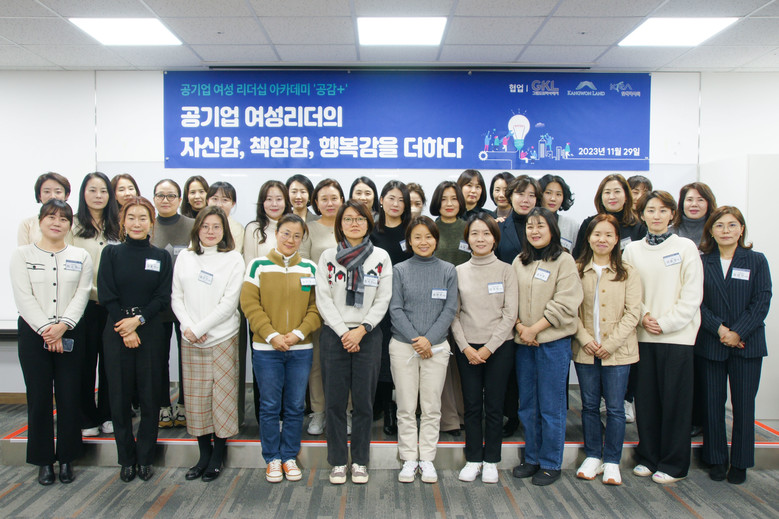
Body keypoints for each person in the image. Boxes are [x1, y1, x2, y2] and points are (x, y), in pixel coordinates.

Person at [623, 191, 703, 485]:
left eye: (662, 210)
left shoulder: (686, 247)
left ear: (672, 214)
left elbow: (692, 294)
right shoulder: (632, 250)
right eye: (650, 210)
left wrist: (666, 323)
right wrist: (644, 317)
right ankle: (648, 456)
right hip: (643, 335)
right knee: (646, 402)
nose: (656, 216)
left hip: (677, 338)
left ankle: (674, 464)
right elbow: (630, 290)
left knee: (675, 403)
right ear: (641, 215)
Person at [11, 200, 92, 485]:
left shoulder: (80, 255)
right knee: (39, 398)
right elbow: (23, 296)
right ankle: (43, 460)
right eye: (51, 217)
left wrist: (62, 327)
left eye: (63, 218)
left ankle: (67, 457)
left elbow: (82, 293)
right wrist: (48, 330)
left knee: (70, 396)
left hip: (70, 331)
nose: (57, 223)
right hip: (34, 335)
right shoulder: (22, 255)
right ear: (40, 221)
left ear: (70, 224)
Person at [315, 201, 392, 485]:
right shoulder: (327, 257)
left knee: (363, 404)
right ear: (340, 224)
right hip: (334, 336)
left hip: (367, 336)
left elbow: (383, 298)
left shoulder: (381, 257)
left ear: (368, 223)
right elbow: (323, 298)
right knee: (334, 404)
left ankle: (359, 461)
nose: (354, 224)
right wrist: (342, 332)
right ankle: (337, 461)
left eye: (360, 218)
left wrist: (361, 330)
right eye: (348, 219)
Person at [241, 214, 321, 484]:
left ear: (302, 239)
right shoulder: (258, 266)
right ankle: (272, 458)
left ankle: (289, 455)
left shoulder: (310, 268)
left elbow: (316, 307)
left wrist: (298, 334)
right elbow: (250, 305)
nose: (291, 240)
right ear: (276, 234)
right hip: (266, 349)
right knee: (269, 405)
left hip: (301, 348)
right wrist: (272, 335)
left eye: (297, 236)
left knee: (296, 405)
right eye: (286, 233)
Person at [98, 196, 173, 483]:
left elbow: (162, 297)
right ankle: (126, 459)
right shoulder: (111, 254)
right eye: (131, 217)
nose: (137, 223)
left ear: (151, 222)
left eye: (143, 218)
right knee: (118, 397)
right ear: (122, 221)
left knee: (150, 397)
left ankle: (145, 458)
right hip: (117, 331)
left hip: (150, 331)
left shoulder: (161, 256)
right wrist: (126, 328)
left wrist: (138, 322)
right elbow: (107, 294)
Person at [697, 207, 772, 485]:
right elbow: (696, 302)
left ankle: (740, 462)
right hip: (712, 341)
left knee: (743, 406)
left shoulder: (756, 260)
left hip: (746, 343)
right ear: (711, 230)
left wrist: (738, 332)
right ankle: (716, 459)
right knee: (712, 405)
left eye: (732, 225)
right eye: (719, 225)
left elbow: (762, 300)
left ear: (741, 229)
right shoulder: (702, 262)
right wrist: (721, 329)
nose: (726, 230)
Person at [511, 208, 583, 486]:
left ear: (553, 229)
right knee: (528, 406)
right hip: (523, 344)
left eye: (541, 225)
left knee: (551, 407)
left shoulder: (564, 260)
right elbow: (510, 299)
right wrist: (521, 327)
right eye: (530, 226)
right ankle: (531, 458)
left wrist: (534, 329)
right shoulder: (519, 261)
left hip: (552, 344)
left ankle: (551, 462)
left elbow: (566, 303)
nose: (535, 231)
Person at [172, 206, 244, 483]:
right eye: (205, 226)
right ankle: (203, 455)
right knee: (197, 398)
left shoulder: (233, 258)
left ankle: (218, 456)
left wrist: (200, 328)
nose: (210, 231)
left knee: (222, 399)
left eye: (216, 226)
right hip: (191, 338)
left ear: (224, 230)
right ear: (197, 229)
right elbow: (176, 297)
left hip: (222, 336)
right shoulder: (185, 257)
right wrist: (188, 327)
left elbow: (229, 303)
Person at [572, 214, 642, 486]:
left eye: (608, 235)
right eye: (597, 234)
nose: (602, 239)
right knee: (589, 406)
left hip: (619, 351)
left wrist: (610, 344)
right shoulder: (577, 269)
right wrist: (585, 338)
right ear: (588, 238)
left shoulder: (628, 272)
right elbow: (571, 310)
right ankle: (592, 455)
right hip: (586, 349)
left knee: (614, 408)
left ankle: (612, 460)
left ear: (616, 240)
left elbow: (633, 313)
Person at [390, 216, 458, 485]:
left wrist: (428, 340)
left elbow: (449, 309)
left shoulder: (448, 270)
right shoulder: (399, 270)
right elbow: (395, 308)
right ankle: (409, 457)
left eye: (428, 236)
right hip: (402, 346)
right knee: (406, 406)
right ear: (409, 241)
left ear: (436, 240)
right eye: (417, 237)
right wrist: (416, 339)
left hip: (437, 348)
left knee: (431, 406)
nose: (423, 242)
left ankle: (427, 458)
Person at [451, 214, 518, 484]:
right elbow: (453, 315)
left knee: (494, 406)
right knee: (471, 406)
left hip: (500, 347)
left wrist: (489, 348)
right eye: (475, 234)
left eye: (486, 233)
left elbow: (510, 314)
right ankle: (473, 459)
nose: (481, 239)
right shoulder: (458, 271)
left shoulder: (506, 270)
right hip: (467, 348)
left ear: (495, 238)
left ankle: (491, 460)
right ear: (467, 239)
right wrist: (465, 347)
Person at [70, 172, 121, 438]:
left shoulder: (118, 224)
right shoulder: (72, 225)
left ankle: (108, 414)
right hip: (84, 304)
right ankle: (86, 416)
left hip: (113, 306)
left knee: (111, 363)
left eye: (103, 191)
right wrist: (94, 293)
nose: (98, 195)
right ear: (83, 193)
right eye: (92, 190)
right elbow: (69, 267)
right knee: (85, 362)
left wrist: (110, 296)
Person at [496, 175, 540, 437]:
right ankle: (511, 415)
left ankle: (537, 417)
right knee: (510, 368)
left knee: (536, 369)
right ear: (510, 196)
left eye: (531, 195)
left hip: (538, 309)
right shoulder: (499, 228)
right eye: (520, 194)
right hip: (506, 307)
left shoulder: (544, 227)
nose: (526, 200)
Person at [301, 178, 345, 436]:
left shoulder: (351, 224)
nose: (329, 203)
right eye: (324, 199)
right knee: (317, 362)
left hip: (349, 306)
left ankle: (345, 411)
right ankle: (319, 412)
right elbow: (304, 266)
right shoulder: (308, 229)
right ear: (316, 203)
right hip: (318, 305)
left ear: (342, 200)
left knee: (346, 362)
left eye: (334, 198)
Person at [150, 179, 195, 429]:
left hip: (187, 304)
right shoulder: (148, 225)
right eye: (160, 195)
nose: (165, 200)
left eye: (171, 196)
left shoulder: (192, 225)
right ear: (154, 199)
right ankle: (162, 406)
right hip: (155, 305)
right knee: (157, 358)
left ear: (179, 199)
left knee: (186, 356)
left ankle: (185, 405)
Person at [369, 180, 413, 436]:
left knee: (403, 355)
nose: (395, 204)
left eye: (401, 200)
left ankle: (400, 407)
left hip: (407, 303)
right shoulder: (371, 230)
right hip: (377, 303)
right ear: (381, 200)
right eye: (391, 198)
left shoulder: (412, 230)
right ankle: (384, 405)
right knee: (381, 355)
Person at [573, 174, 646, 259]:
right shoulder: (589, 224)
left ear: (626, 196)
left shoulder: (638, 226)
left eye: (617, 191)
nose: (612, 197)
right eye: (607, 192)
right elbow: (578, 257)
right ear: (601, 197)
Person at [243, 180, 291, 265]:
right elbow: (249, 264)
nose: (274, 204)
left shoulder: (294, 227)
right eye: (269, 199)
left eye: (279, 199)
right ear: (262, 202)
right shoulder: (253, 228)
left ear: (286, 202)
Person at [18, 172, 71, 246]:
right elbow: (23, 251)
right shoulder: (27, 224)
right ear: (39, 195)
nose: (52, 196)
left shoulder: (74, 223)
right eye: (47, 192)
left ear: (66, 195)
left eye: (58, 192)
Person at [430, 181, 470, 267]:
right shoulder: (430, 229)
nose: (449, 204)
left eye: (454, 199)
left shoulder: (469, 228)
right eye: (443, 199)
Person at [539, 174, 579, 253]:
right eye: (548, 193)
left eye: (558, 194)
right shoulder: (530, 222)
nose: (553, 198)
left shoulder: (571, 225)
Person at [671, 182, 717, 248]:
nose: (694, 204)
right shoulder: (669, 234)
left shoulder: (717, 233)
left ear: (708, 204)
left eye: (700, 200)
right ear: (682, 203)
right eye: (689, 200)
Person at [206, 181, 244, 253]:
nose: (219, 205)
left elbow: (235, 254)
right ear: (207, 201)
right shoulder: (200, 225)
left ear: (233, 204)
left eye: (225, 200)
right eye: (215, 199)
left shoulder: (237, 228)